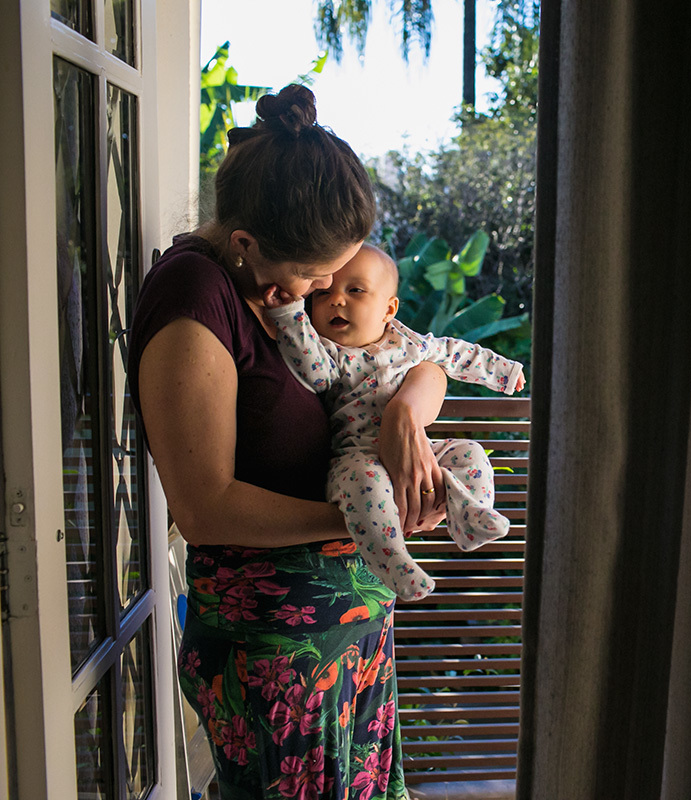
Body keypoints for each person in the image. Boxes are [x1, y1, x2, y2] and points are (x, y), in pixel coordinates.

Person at [129, 85, 438, 800]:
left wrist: (403, 420)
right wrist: (360, 518)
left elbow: (409, 358)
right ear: (244, 244)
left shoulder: (269, 289)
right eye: (315, 273)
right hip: (278, 656)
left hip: (349, 633)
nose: (329, 288)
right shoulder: (193, 303)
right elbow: (204, 509)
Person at [263, 244, 525, 601]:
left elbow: (455, 352)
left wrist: (503, 372)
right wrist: (291, 315)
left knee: (469, 453)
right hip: (355, 456)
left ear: (389, 308)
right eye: (323, 294)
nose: (336, 300)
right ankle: (394, 564)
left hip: (419, 448)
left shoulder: (409, 343)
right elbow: (314, 373)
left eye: (355, 290)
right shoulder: (330, 354)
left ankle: (469, 514)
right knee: (364, 483)